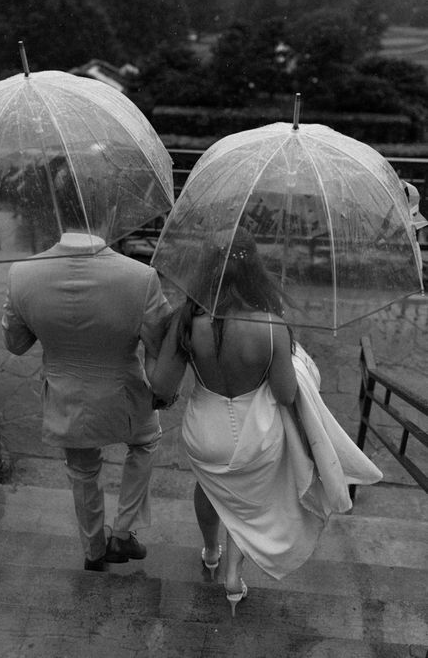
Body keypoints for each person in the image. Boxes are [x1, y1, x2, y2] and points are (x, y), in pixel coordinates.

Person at [147, 225, 382, 616]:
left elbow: (162, 387)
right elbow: (286, 394)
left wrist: (150, 348)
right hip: (257, 434)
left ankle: (210, 551)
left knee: (211, 489)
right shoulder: (270, 325)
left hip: (205, 433)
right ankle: (235, 571)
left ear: (207, 269)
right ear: (255, 268)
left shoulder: (188, 319)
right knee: (251, 499)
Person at [1, 162, 170, 571]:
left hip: (65, 396)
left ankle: (93, 550)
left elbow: (16, 344)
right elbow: (158, 344)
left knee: (81, 468)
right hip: (124, 395)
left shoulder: (22, 274)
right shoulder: (140, 277)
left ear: (58, 211)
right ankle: (124, 531)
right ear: (107, 212)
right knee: (145, 441)